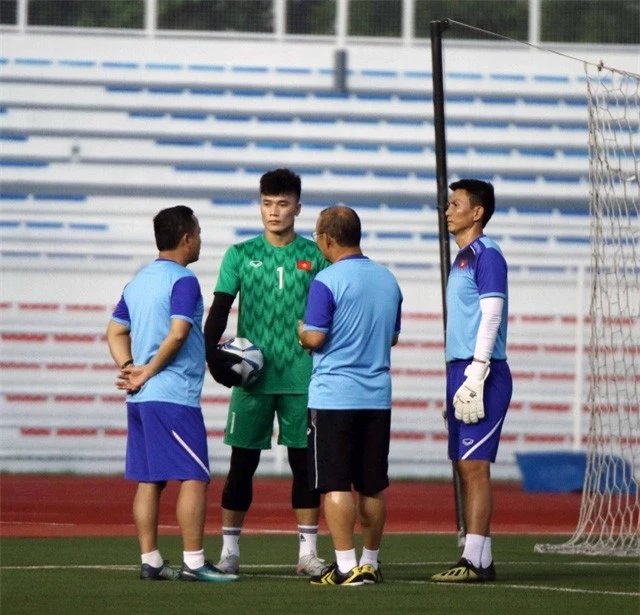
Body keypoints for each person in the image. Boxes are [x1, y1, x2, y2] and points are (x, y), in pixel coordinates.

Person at [204, 168, 328, 577]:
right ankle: (230, 553)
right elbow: (220, 308)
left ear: (297, 207)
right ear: (260, 205)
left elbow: (333, 311)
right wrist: (211, 357)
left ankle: (308, 554)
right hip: (251, 380)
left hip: (302, 378)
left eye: (282, 204)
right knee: (242, 465)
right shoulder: (239, 254)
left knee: (304, 465)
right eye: (267, 203)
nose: (274, 212)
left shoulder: (318, 255)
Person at [106, 205, 238, 583]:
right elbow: (179, 332)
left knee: (150, 480)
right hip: (172, 396)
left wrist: (130, 368)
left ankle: (151, 560)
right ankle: (194, 563)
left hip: (141, 398)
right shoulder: (183, 280)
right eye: (198, 232)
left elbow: (114, 332)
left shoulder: (138, 281)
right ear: (186, 239)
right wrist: (147, 370)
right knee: (194, 476)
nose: (200, 239)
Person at [298, 205, 403, 586]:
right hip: (376, 396)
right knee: (372, 484)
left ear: (327, 239)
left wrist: (300, 331)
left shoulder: (326, 281)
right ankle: (370, 563)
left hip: (334, 397)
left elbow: (315, 337)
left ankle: (345, 567)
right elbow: (391, 336)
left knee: (335, 483)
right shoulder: (388, 280)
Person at [430, 179, 512, 583]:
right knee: (465, 466)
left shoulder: (487, 254)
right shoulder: (463, 256)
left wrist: (477, 372)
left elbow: (491, 314)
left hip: (481, 369)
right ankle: (481, 556)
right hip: (460, 369)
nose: (447, 210)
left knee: (474, 466)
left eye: (456, 204)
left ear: (477, 212)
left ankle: (474, 561)